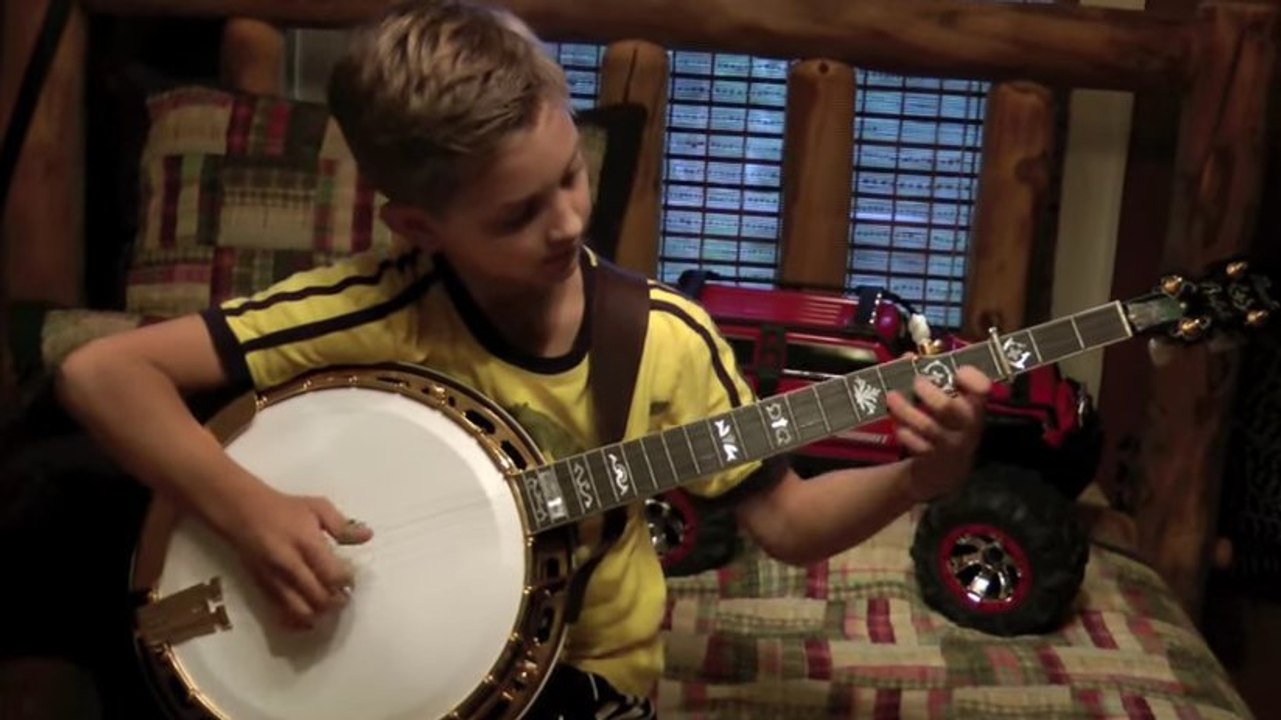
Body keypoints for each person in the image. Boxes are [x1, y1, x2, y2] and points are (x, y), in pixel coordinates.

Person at [55, 1, 992, 716]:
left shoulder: (662, 340)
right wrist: (252, 512)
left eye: (571, 174)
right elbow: (101, 374)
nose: (570, 221)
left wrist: (918, 478)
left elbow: (786, 523)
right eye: (517, 214)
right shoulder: (373, 309)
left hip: (587, 674)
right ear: (419, 225)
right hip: (394, 652)